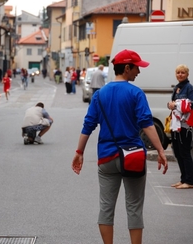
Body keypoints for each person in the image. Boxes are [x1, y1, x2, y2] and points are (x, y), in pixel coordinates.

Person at [72, 49, 168, 244]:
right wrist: (160, 150)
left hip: (107, 158)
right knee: (134, 207)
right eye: (136, 68)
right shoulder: (135, 93)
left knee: (106, 207)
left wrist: (79, 152)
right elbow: (147, 124)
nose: (138, 72)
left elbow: (88, 125)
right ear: (126, 68)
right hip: (132, 157)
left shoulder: (100, 95)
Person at [167, 64, 193, 189]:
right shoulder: (177, 87)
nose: (180, 75)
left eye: (183, 72)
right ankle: (183, 179)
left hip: (185, 125)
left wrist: (175, 105)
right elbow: (172, 103)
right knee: (177, 152)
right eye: (178, 73)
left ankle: (189, 180)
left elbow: (190, 105)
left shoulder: (189, 88)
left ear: (187, 74)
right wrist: (170, 105)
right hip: (175, 124)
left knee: (185, 152)